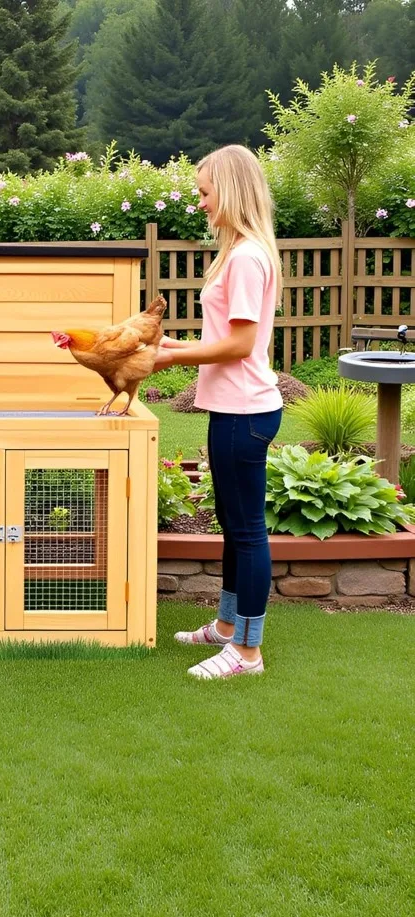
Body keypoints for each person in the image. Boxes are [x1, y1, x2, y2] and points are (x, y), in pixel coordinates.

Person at [153, 145, 283, 680]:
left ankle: (246, 653)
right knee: (233, 525)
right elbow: (223, 338)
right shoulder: (238, 254)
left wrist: (171, 355)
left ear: (229, 191)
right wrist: (171, 346)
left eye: (205, 192)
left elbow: (239, 345)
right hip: (231, 409)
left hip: (244, 413)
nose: (201, 203)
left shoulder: (248, 257)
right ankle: (228, 628)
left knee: (248, 531)